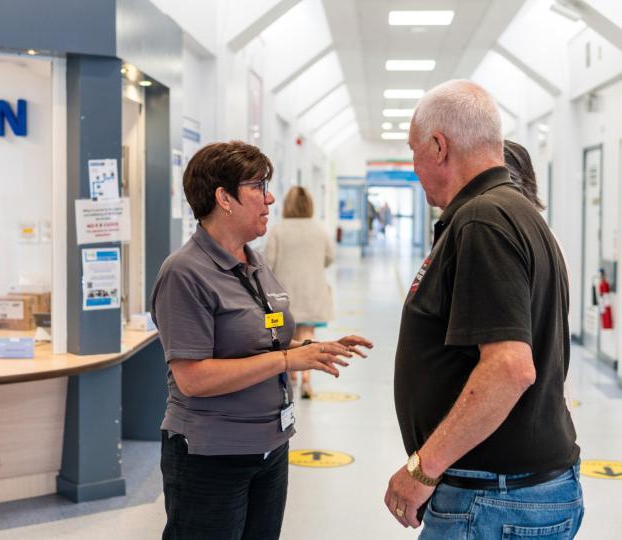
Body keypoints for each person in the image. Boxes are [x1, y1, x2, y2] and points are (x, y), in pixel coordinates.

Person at [386, 80, 583, 538]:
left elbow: (509, 369)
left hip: (494, 500)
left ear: (439, 146)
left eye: (414, 151)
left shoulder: (482, 221)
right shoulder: (516, 213)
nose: (414, 168)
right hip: (508, 492)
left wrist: (422, 469)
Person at [151, 141, 373, 539]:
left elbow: (262, 346)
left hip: (270, 447)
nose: (270, 197)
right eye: (258, 186)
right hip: (211, 453)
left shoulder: (254, 263)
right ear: (224, 198)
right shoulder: (185, 273)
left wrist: (307, 351)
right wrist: (286, 362)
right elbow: (193, 378)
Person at [264, 186, 335, 398]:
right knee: (308, 334)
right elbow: (330, 257)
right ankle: (307, 380)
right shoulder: (319, 229)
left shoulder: (278, 229)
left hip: (284, 294)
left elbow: (268, 262)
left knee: (288, 335)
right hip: (313, 292)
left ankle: (292, 375)